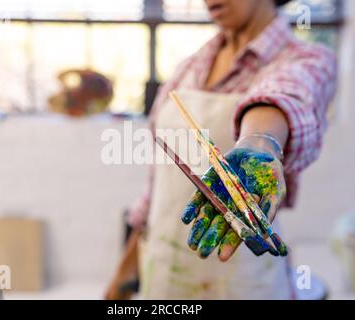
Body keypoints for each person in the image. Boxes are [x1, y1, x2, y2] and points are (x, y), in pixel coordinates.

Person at [105, 0, 337, 299]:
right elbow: (158, 185)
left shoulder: (307, 60)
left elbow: (286, 93)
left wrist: (260, 142)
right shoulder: (187, 68)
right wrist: (125, 269)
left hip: (245, 280)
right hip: (164, 276)